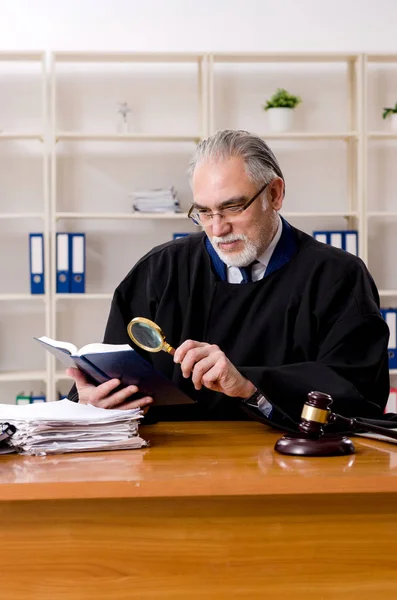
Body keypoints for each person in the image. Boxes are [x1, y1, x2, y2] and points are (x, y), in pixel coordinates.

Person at [67, 129, 390, 431]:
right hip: (167, 464)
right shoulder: (160, 269)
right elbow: (109, 373)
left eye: (232, 207)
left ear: (275, 194)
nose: (217, 228)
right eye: (204, 212)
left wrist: (249, 385)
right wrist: (90, 404)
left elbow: (357, 394)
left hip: (288, 465)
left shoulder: (338, 276)